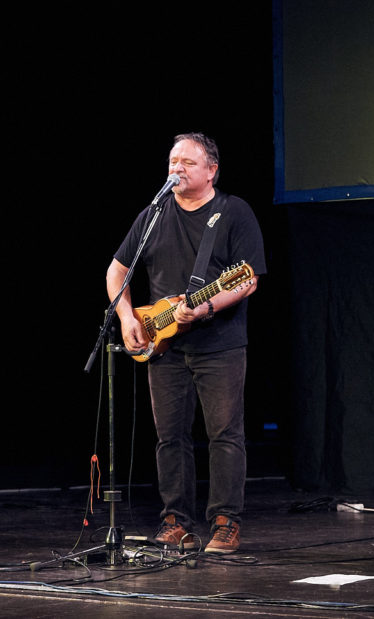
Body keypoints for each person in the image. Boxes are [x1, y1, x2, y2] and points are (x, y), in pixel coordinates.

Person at [106, 133, 266, 554]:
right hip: (163, 345)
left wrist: (207, 306)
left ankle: (226, 521)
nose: (177, 167)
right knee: (169, 437)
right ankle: (175, 519)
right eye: (173, 160)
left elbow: (246, 279)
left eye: (188, 162)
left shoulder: (233, 212)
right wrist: (127, 317)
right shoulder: (153, 213)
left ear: (211, 171)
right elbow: (117, 269)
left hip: (220, 344)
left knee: (224, 434)